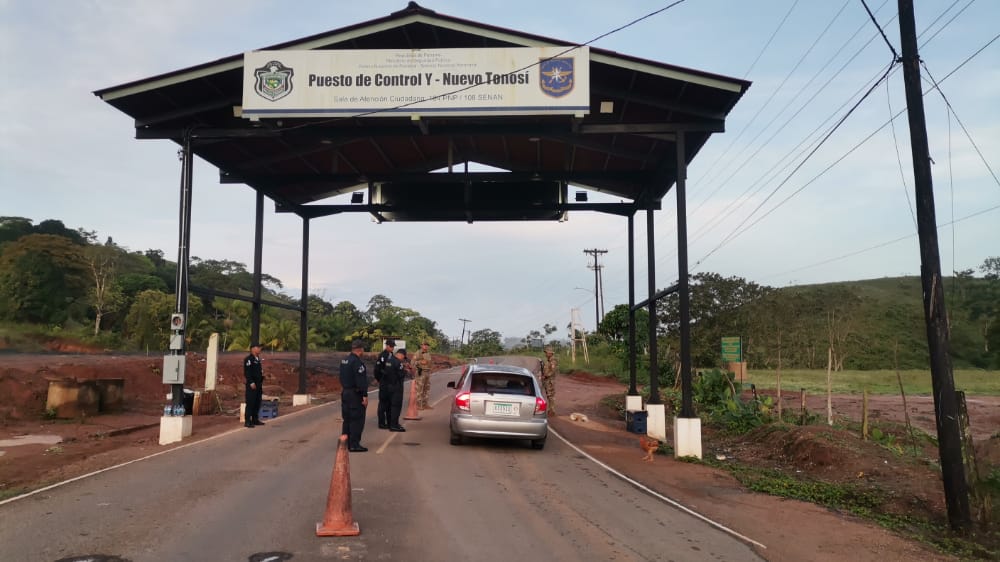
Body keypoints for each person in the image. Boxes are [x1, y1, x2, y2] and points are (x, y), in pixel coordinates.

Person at [340, 339, 370, 452]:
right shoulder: (357, 363)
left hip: (345, 392)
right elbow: (361, 381)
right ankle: (354, 444)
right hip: (355, 394)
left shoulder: (344, 360)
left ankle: (345, 442)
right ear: (360, 349)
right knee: (356, 419)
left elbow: (341, 377)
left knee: (347, 419)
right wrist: (364, 395)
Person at [379, 348, 410, 432]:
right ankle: (394, 425)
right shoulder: (398, 362)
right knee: (396, 407)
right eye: (403, 357)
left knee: (389, 407)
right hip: (396, 387)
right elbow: (400, 374)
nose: (403, 359)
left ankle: (390, 423)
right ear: (401, 355)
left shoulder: (389, 360)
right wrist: (406, 371)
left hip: (387, 387)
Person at [375, 339, 395, 429]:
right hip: (384, 382)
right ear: (387, 346)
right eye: (391, 346)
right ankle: (381, 423)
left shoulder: (391, 355)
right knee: (383, 403)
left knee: (389, 403)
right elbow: (377, 369)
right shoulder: (383, 355)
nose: (392, 348)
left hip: (390, 383)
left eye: (393, 346)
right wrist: (379, 379)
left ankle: (389, 421)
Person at [243, 342, 265, 428]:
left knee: (257, 402)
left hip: (259, 384)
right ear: (252, 349)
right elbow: (247, 372)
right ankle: (247, 421)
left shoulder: (258, 359)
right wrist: (251, 382)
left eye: (260, 347)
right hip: (252, 384)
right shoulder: (249, 359)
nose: (260, 349)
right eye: (258, 347)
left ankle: (255, 419)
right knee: (250, 402)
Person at [411, 341, 434, 410]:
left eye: (427, 345)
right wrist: (420, 362)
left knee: (426, 389)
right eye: (424, 345)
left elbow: (430, 363)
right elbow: (412, 363)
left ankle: (425, 404)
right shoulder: (418, 353)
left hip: (427, 372)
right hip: (421, 372)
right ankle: (418, 405)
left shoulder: (428, 353)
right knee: (419, 389)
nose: (426, 346)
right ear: (421, 345)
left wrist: (431, 368)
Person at [541, 346, 558, 415]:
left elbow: (552, 371)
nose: (545, 354)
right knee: (548, 395)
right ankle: (550, 409)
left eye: (546, 352)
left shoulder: (553, 360)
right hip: (547, 380)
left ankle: (552, 410)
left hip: (550, 381)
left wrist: (545, 375)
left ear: (550, 353)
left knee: (550, 395)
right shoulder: (548, 360)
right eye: (545, 352)